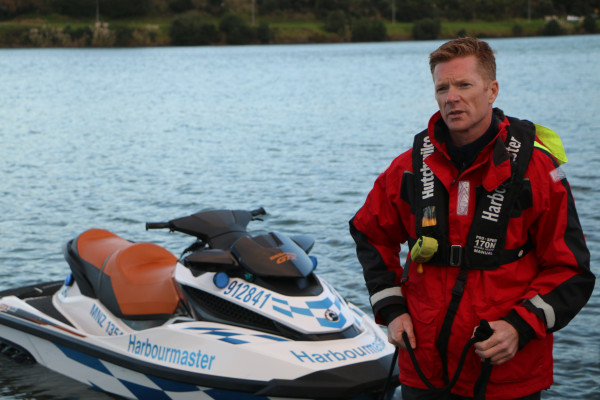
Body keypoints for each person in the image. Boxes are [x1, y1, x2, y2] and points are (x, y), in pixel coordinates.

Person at [349, 37, 595, 400]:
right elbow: (370, 233)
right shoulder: (408, 168)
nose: (451, 97)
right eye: (442, 87)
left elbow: (571, 270)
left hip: (505, 373)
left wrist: (520, 327)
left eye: (464, 85)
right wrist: (391, 308)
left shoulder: (537, 171)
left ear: (492, 90)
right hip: (423, 367)